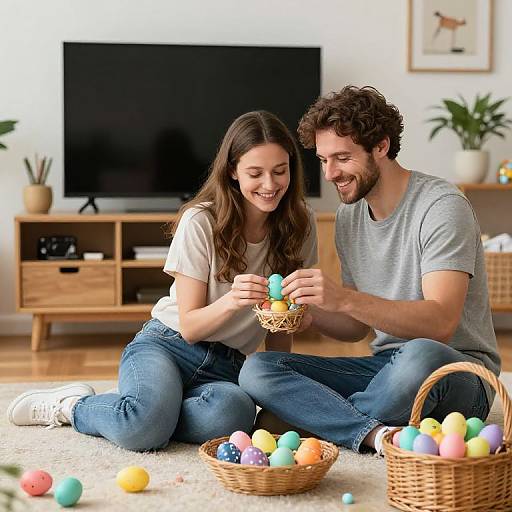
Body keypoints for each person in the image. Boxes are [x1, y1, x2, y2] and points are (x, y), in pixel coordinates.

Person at [7, 111, 318, 452]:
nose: (270, 185)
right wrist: (232, 300)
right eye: (255, 173)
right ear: (232, 171)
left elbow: (279, 321)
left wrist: (277, 392)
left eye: (280, 171)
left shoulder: (299, 225)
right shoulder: (200, 221)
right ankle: (73, 405)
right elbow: (189, 326)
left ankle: (149, 409)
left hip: (227, 366)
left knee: (235, 413)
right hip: (167, 346)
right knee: (144, 433)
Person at [239, 86, 500, 455]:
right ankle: (373, 433)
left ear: (381, 145)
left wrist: (345, 298)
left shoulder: (441, 207)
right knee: (258, 370)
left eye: (342, 158)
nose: (330, 174)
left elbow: (441, 322)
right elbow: (357, 326)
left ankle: (325, 418)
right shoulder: (350, 215)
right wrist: (311, 314)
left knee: (419, 354)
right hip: (385, 371)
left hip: (454, 373)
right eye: (323, 159)